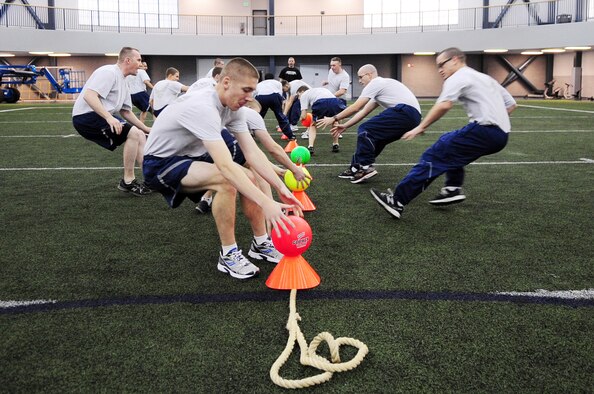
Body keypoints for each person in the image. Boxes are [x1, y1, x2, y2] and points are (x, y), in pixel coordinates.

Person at [143, 58, 303, 280]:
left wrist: (281, 188)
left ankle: (260, 243)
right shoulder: (203, 106)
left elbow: (253, 154)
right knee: (227, 179)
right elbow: (226, 166)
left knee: (250, 177)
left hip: (190, 158)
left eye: (252, 91)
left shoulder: (233, 108)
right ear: (226, 82)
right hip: (160, 164)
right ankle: (228, 255)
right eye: (246, 90)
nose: (250, 97)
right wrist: (266, 203)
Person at [369, 47, 517, 219]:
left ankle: (397, 201)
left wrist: (421, 127)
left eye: (441, 65)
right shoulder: (485, 78)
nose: (440, 70)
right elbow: (511, 104)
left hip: (484, 130)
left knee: (434, 155)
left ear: (455, 60)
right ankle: (452, 189)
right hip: (501, 135)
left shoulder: (458, 77)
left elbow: (444, 104)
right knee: (450, 143)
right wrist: (496, 119)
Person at [196, 99, 309, 214]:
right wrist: (292, 169)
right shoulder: (248, 114)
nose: (258, 115)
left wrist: (280, 171)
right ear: (249, 108)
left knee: (221, 167)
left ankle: (205, 199)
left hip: (201, 144)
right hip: (216, 141)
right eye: (257, 112)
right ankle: (271, 209)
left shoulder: (226, 112)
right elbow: (272, 149)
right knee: (258, 173)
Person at [317, 64, 421, 184]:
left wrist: (334, 118)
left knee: (366, 129)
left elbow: (356, 107)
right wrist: (345, 125)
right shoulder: (381, 87)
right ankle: (355, 168)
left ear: (369, 75)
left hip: (405, 112)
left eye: (361, 77)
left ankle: (366, 167)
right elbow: (364, 111)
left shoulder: (375, 83)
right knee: (377, 139)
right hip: (413, 117)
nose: (360, 81)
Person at [72, 46, 152, 196]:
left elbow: (126, 111)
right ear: (128, 60)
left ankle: (150, 180)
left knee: (140, 134)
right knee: (133, 134)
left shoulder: (124, 80)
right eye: (139, 60)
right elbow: (89, 96)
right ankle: (128, 182)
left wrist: (146, 128)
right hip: (85, 117)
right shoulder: (108, 72)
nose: (141, 64)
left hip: (98, 115)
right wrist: (109, 118)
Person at [295, 85, 346, 154]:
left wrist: (301, 120)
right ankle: (335, 144)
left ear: (301, 92)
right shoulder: (318, 90)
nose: (298, 98)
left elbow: (303, 116)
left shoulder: (304, 94)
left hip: (321, 102)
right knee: (334, 122)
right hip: (335, 101)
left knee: (313, 125)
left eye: (298, 95)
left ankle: (310, 147)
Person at [254, 73, 296, 140]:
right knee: (280, 117)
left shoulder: (259, 84)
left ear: (265, 78)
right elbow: (280, 93)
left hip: (261, 97)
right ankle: (290, 136)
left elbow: (254, 95)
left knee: (258, 117)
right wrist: (281, 106)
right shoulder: (277, 82)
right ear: (273, 78)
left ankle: (252, 134)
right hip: (274, 96)